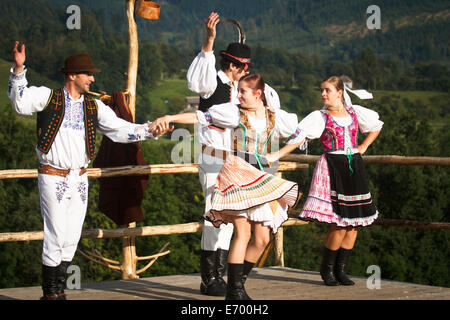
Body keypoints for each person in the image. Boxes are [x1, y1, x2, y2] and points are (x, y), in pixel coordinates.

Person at [7, 41, 156, 300]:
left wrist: (149, 129)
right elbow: (20, 104)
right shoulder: (47, 96)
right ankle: (52, 293)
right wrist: (19, 70)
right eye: (88, 74)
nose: (92, 78)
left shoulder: (92, 106)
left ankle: (58, 289)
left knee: (72, 236)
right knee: (56, 234)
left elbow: (119, 129)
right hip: (53, 175)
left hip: (79, 178)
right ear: (72, 76)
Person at [151, 73, 301, 299]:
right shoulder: (234, 112)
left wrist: (278, 154)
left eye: (243, 92)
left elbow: (300, 133)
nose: (238, 95)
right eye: (238, 90)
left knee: (262, 238)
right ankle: (235, 291)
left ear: (258, 94)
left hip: (259, 176)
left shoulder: (274, 117)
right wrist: (170, 116)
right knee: (243, 233)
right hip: (236, 173)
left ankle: (237, 283)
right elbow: (199, 117)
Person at [186, 12, 281, 296]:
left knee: (233, 217)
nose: (246, 69)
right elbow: (195, 82)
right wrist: (209, 42)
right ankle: (209, 279)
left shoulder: (239, 90)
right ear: (233, 64)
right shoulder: (211, 81)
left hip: (236, 161)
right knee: (215, 215)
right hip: (214, 158)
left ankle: (221, 276)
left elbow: (268, 101)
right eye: (243, 65)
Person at [266, 76, 383, 286]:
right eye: (322, 90)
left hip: (354, 166)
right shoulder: (320, 117)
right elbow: (298, 138)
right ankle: (327, 269)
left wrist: (363, 147)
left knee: (354, 224)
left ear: (340, 92)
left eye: (327, 90)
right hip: (333, 167)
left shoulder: (355, 112)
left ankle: (341, 269)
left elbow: (376, 125)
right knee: (339, 222)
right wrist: (277, 155)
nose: (323, 94)